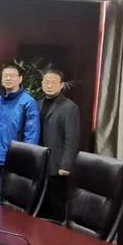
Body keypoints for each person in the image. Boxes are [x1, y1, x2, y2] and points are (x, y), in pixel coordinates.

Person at [0, 63, 40, 202]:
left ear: (20, 79)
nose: (8, 78)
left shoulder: (28, 102)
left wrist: (25, 158)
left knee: (13, 201)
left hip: (15, 160)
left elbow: (32, 133)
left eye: (12, 76)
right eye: (5, 76)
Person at [39, 69, 80, 221]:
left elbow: (72, 138)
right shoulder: (38, 103)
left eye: (53, 83)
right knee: (40, 205)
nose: (49, 86)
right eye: (46, 82)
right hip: (40, 161)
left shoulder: (69, 107)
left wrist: (66, 165)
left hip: (57, 165)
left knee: (55, 205)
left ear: (61, 85)